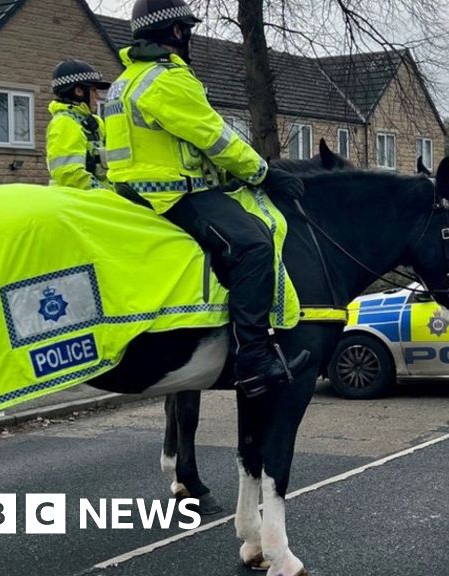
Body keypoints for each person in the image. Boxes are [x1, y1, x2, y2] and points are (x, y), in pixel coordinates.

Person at [104, 0, 308, 398]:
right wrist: (263, 173)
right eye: (187, 30)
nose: (190, 38)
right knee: (253, 244)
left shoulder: (124, 82)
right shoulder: (166, 80)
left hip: (130, 193)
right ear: (177, 33)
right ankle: (253, 358)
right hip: (172, 194)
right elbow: (215, 137)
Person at [47, 60, 112, 190]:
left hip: (95, 199)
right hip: (76, 200)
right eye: (93, 90)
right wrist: (106, 194)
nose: (98, 96)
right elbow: (69, 174)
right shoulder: (64, 122)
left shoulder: (95, 122)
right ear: (79, 91)